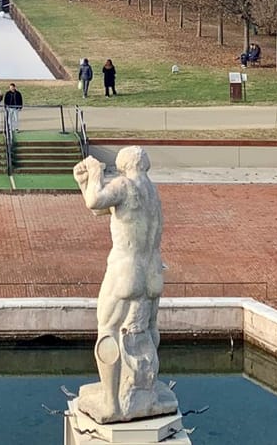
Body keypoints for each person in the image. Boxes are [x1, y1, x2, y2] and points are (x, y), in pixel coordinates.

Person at [72, 146, 177, 424]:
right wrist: (85, 182)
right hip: (152, 271)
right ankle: (148, 390)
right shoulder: (151, 192)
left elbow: (95, 201)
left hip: (126, 270)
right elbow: (102, 210)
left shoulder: (123, 184)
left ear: (123, 165)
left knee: (107, 330)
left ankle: (112, 403)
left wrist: (95, 172)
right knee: (149, 329)